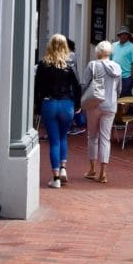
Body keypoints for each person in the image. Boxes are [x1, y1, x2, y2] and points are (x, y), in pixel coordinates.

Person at [34, 33, 82, 188]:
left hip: (49, 103)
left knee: (53, 140)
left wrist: (37, 105)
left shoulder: (42, 65)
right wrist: (77, 104)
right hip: (66, 104)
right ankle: (63, 168)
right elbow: (77, 86)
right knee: (63, 138)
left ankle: (55, 178)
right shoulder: (68, 67)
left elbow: (38, 88)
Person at [82, 41, 122, 184]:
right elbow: (119, 89)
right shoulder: (117, 67)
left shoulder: (93, 65)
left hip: (95, 104)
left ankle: (92, 169)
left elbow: (84, 84)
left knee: (92, 137)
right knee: (106, 138)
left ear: (98, 52)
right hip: (110, 105)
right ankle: (103, 173)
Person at [111, 25, 133, 97]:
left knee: (124, 97)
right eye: (121, 34)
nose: (123, 36)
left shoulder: (132, 48)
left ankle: (125, 108)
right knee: (116, 96)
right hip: (115, 76)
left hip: (126, 77)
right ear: (119, 35)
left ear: (128, 36)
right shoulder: (113, 45)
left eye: (125, 34)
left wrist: (131, 77)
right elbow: (109, 60)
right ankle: (129, 108)